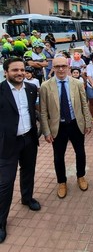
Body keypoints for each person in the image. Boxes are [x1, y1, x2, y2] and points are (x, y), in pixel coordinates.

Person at [0, 58, 41, 244]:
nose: (19, 73)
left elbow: (32, 112)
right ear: (5, 72)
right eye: (14, 70)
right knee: (5, 183)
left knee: (28, 171)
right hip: (7, 144)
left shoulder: (31, 89)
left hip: (29, 139)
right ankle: (1, 223)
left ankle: (27, 198)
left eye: (22, 69)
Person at [40, 56, 92, 199]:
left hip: (76, 124)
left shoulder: (77, 83)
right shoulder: (45, 86)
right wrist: (46, 131)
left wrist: (88, 122)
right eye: (57, 66)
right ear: (53, 68)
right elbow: (43, 111)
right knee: (58, 156)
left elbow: (84, 104)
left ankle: (81, 176)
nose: (61, 69)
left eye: (64, 66)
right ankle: (62, 182)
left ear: (69, 67)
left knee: (80, 152)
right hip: (58, 126)